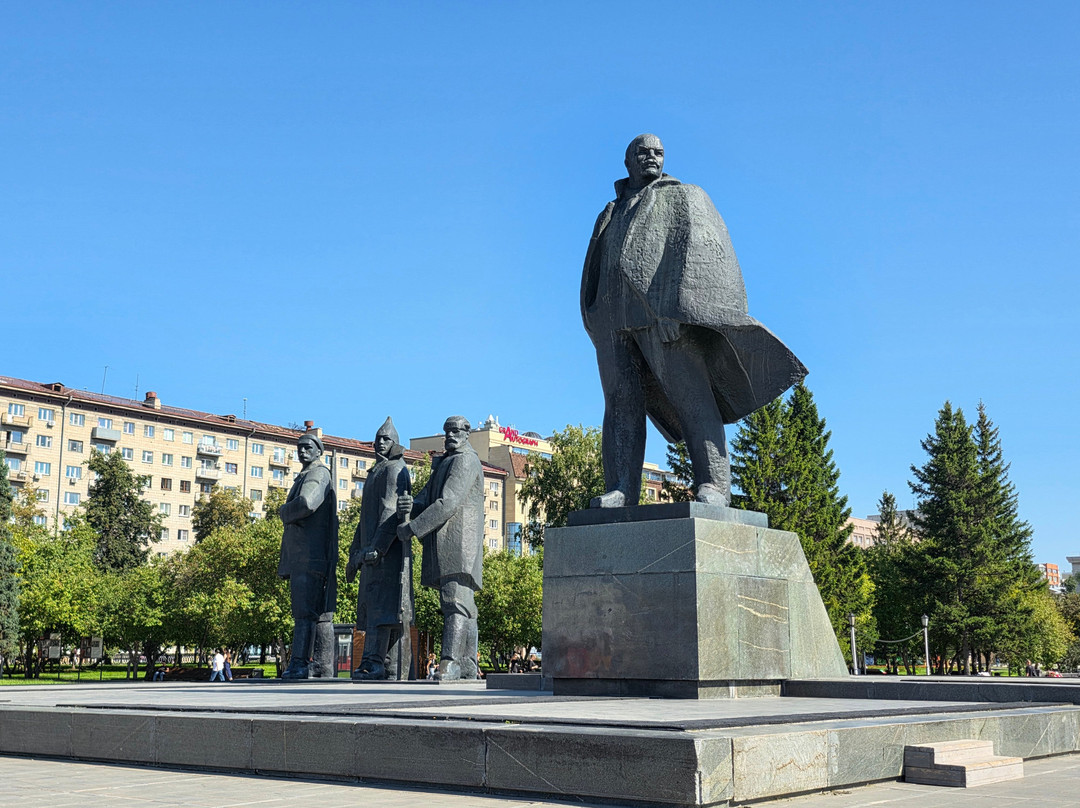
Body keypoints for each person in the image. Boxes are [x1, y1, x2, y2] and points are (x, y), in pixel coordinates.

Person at [581, 134, 807, 507]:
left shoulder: (682, 196)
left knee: (692, 397)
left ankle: (714, 485)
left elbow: (699, 249)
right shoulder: (610, 210)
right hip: (612, 320)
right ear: (627, 162)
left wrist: (679, 307)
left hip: (664, 317)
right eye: (642, 152)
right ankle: (621, 488)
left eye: (658, 152)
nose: (651, 157)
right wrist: (593, 316)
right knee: (620, 404)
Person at [397, 416, 484, 681]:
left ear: (467, 433)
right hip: (447, 543)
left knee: (454, 602)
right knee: (462, 604)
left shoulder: (466, 460)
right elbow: (427, 497)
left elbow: (448, 502)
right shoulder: (447, 460)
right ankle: (467, 663)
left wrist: (413, 528)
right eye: (447, 431)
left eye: (455, 430)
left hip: (459, 543)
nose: (450, 435)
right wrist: (410, 504)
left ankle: (450, 662)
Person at [347, 418, 413, 680]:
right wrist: (355, 552)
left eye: (386, 439)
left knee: (383, 610)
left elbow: (390, 511)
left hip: (387, 553)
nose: (380, 443)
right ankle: (380, 663)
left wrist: (377, 548)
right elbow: (364, 520)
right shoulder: (376, 471)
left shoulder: (395, 469)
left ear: (395, 443)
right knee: (375, 609)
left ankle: (375, 663)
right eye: (377, 438)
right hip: (370, 552)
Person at [278, 431, 339, 679]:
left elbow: (306, 503)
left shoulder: (317, 473)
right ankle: (321, 665)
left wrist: (283, 511)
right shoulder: (308, 474)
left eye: (307, 447)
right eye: (299, 447)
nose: (302, 451)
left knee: (304, 612)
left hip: (309, 555)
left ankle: (300, 664)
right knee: (318, 614)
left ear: (318, 451)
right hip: (307, 555)